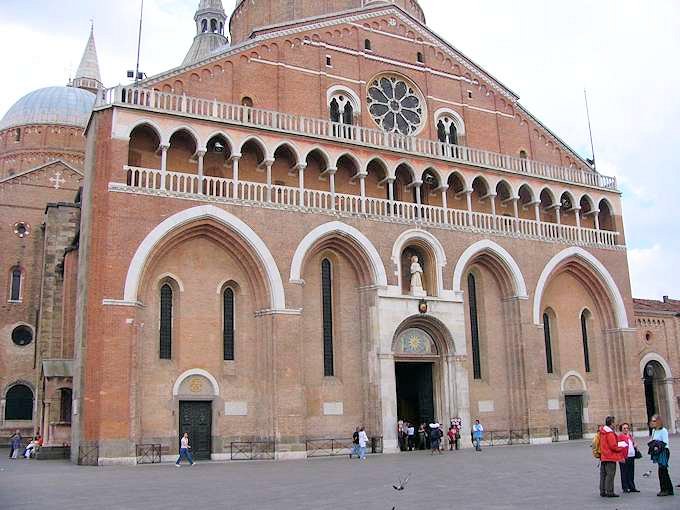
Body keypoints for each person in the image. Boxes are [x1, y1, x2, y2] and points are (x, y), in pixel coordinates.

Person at [599, 416, 626, 498]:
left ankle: (602, 490)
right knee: (610, 475)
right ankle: (610, 491)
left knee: (603, 475)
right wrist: (622, 447)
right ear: (611, 423)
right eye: (614, 422)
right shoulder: (609, 433)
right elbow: (613, 446)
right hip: (610, 457)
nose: (615, 424)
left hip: (603, 456)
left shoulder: (602, 431)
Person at [649, 415, 674, 497]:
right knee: (663, 471)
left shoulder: (664, 430)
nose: (653, 422)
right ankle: (669, 489)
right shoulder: (653, 431)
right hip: (657, 452)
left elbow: (665, 442)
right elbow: (653, 440)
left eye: (654, 421)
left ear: (659, 421)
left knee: (662, 470)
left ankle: (665, 490)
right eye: (652, 421)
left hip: (663, 451)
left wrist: (657, 445)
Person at [618, 423, 639, 493]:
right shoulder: (620, 436)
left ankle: (632, 487)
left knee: (631, 472)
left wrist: (635, 445)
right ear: (621, 429)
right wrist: (621, 457)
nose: (626, 429)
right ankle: (625, 487)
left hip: (631, 456)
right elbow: (619, 448)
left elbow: (632, 444)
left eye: (627, 428)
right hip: (624, 456)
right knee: (624, 472)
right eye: (624, 428)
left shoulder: (630, 436)